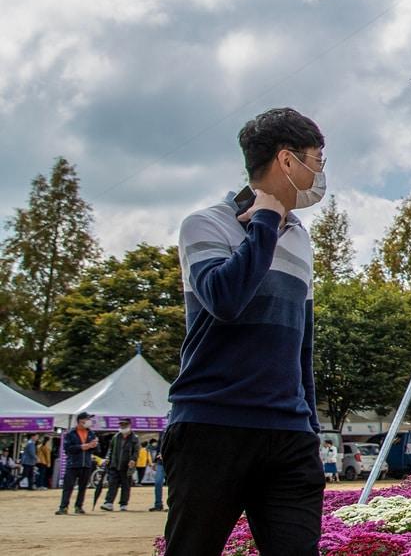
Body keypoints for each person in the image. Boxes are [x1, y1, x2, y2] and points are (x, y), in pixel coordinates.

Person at [162, 108, 327, 555]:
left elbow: (301, 344)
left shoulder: (300, 238)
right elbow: (224, 300)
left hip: (289, 433)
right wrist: (265, 224)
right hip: (214, 424)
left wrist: (309, 424)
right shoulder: (205, 224)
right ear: (287, 161)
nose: (320, 173)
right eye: (317, 160)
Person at [57, 412, 100, 514]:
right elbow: (67, 449)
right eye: (88, 419)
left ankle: (79, 506)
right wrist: (81, 447)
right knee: (68, 487)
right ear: (81, 421)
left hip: (86, 464)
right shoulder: (71, 433)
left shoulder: (91, 433)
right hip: (73, 464)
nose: (90, 421)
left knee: (83, 487)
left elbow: (97, 450)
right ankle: (63, 507)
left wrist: (95, 445)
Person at [100, 419, 139, 511]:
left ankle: (123, 504)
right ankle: (109, 503)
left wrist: (133, 460)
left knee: (125, 486)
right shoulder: (116, 437)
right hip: (114, 465)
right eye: (121, 424)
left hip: (127, 466)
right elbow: (110, 449)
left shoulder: (134, 438)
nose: (122, 426)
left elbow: (136, 451)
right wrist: (107, 458)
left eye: (125, 424)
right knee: (112, 484)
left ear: (129, 425)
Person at [148, 444, 166, 512]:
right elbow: (159, 448)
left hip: (172, 461)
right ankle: (158, 505)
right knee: (158, 482)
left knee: (173, 485)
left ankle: (173, 505)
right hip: (160, 462)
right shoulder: (162, 435)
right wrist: (155, 461)